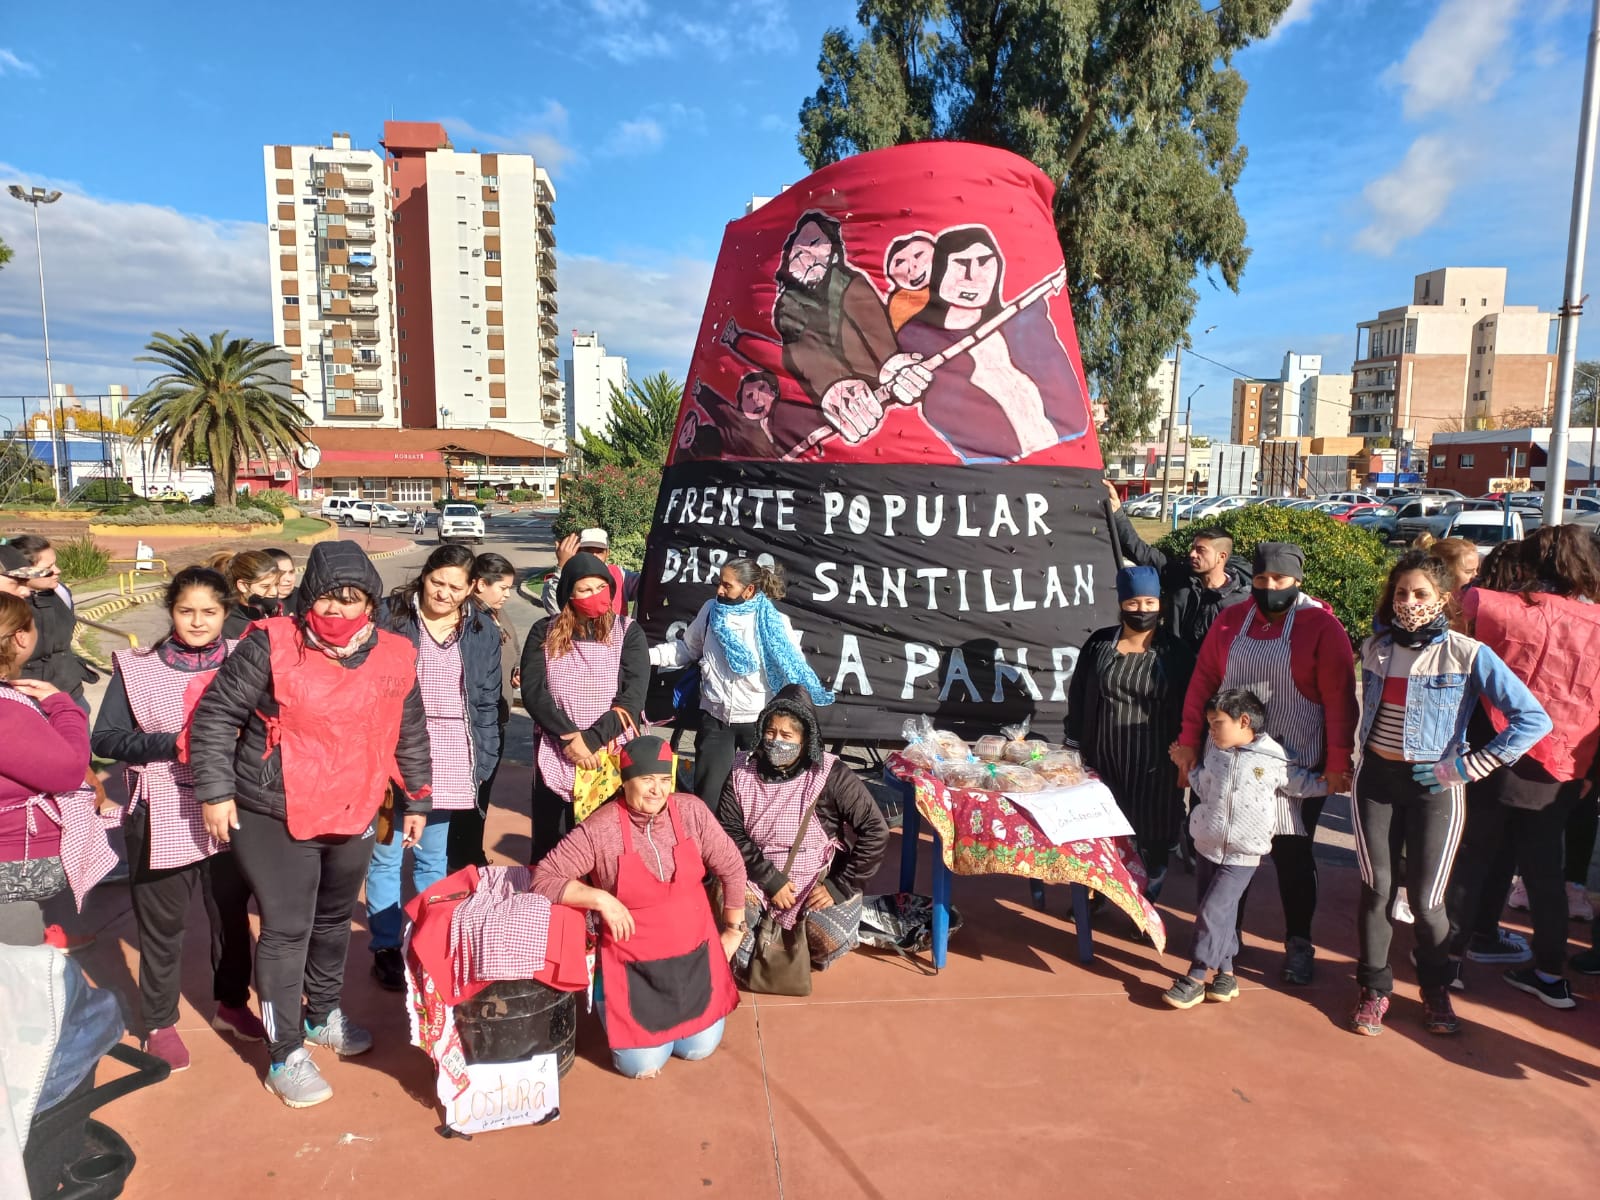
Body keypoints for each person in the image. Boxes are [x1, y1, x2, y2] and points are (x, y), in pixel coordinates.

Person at [189, 540, 433, 1108]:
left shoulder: (396, 653)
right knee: (287, 926)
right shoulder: (268, 644)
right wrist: (216, 792)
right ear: (306, 598)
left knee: (329, 923)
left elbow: (410, 729)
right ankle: (284, 1051)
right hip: (273, 809)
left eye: (353, 600)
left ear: (370, 603)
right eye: (329, 597)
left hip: (355, 806)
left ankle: (321, 1013)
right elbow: (217, 716)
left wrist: (417, 797)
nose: (340, 611)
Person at [1349, 551, 1550, 1037]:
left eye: (1420, 594)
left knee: (1427, 899)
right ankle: (1374, 990)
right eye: (1401, 593)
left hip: (1434, 788)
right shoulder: (1375, 646)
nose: (1409, 602)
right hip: (1375, 781)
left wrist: (1468, 766)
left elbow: (1533, 720)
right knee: (1377, 891)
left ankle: (1435, 989)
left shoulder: (1467, 653)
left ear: (1443, 598)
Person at [89, 567, 263, 1070]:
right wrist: (175, 743)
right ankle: (160, 1021)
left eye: (209, 612)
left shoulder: (245, 660)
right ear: (170, 610)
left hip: (233, 805)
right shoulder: (137, 665)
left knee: (230, 916)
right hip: (158, 808)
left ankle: (232, 1004)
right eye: (186, 611)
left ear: (227, 613)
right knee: (162, 926)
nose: (197, 622)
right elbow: (106, 739)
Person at [1173, 541, 1358, 985]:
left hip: (1294, 766)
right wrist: (1188, 742)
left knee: (1293, 856)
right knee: (1227, 856)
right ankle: (1224, 948)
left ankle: (1298, 941)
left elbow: (1339, 699)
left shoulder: (1321, 626)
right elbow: (1203, 684)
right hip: (1231, 762)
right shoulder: (1231, 621)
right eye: (1261, 580)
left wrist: (1337, 762)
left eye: (1279, 580)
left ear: (1297, 581)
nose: (1270, 587)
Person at [1445, 526, 1600, 1011]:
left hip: (1495, 751)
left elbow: (1454, 620)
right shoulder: (1596, 621)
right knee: (1544, 871)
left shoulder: (1493, 605)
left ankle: (1448, 960)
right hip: (1563, 764)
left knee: (1473, 857)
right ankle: (1550, 972)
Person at [530, 735, 746, 1079]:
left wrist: (733, 929)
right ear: (625, 780)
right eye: (647, 780)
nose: (657, 791)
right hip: (634, 971)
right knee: (641, 1066)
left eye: (664, 780)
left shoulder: (691, 811)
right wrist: (601, 899)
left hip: (695, 962)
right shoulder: (600, 828)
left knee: (698, 1049)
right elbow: (544, 878)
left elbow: (732, 866)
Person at [367, 544, 504, 991]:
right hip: (395, 745)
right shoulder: (391, 616)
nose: (442, 593)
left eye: (454, 587)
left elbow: (485, 699)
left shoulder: (481, 630)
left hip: (450, 752)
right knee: (386, 854)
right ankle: (386, 947)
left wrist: (486, 753)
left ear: (470, 590)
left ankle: (427, 940)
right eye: (436, 581)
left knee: (432, 857)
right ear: (423, 576)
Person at [1163, 689, 1325, 1009]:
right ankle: (1226, 973)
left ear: (1244, 721)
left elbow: (1299, 783)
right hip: (1208, 845)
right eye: (1210, 723)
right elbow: (1205, 787)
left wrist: (1331, 782)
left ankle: (1196, 976)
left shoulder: (1273, 756)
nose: (1211, 730)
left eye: (1217, 723)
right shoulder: (1217, 753)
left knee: (1213, 911)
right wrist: (1187, 765)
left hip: (1243, 854)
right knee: (1218, 913)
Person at [717, 685, 889, 972]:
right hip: (755, 877)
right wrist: (770, 880)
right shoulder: (741, 770)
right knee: (735, 933)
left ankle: (803, 945)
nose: (776, 742)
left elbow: (875, 829)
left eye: (787, 736)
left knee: (830, 936)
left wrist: (838, 887)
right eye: (770, 733)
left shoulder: (831, 774)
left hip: (813, 882)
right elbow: (730, 831)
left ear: (805, 738)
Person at [650, 559, 832, 810]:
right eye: (719, 584)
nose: (720, 591)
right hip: (716, 720)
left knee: (754, 800)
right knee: (709, 799)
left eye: (728, 586)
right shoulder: (710, 611)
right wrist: (648, 655)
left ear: (749, 590)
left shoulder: (775, 621)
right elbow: (687, 650)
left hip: (758, 725)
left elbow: (794, 671)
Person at [896, 224, 1087, 460]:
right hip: (980, 477)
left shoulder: (1025, 321)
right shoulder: (915, 339)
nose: (972, 276)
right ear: (939, 271)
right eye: (961, 264)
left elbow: (1069, 406)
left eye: (984, 262)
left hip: (1058, 465)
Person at [1065, 565, 1196, 897]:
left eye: (1150, 603)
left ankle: (1146, 901)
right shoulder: (1098, 643)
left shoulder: (1175, 652)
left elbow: (1191, 704)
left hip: (1156, 761)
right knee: (1102, 831)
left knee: (1153, 834)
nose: (1143, 610)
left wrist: (1188, 749)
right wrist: (1074, 744)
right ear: (1122, 603)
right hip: (1104, 754)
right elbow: (1079, 694)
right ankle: (1099, 896)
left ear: (1160, 604)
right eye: (1135, 603)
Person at [522, 553, 649, 864]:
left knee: (602, 841)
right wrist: (569, 738)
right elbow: (534, 691)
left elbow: (632, 699)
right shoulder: (544, 631)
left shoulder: (628, 631)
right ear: (569, 594)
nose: (596, 596)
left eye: (600, 587)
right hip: (556, 747)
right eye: (585, 589)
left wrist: (591, 740)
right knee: (550, 841)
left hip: (607, 751)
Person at [0, 592, 92, 946]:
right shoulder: (8, 713)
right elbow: (68, 770)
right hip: (12, 861)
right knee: (18, 979)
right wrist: (63, 708)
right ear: (21, 637)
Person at [1101, 483, 1252, 655]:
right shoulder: (1179, 577)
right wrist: (1117, 513)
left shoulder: (1242, 601)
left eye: (1200, 550)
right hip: (1173, 671)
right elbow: (1139, 551)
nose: (1192, 554)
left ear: (1222, 557)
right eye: (1193, 548)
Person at [446, 552, 520, 872]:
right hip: (474, 722)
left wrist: (515, 673)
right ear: (478, 585)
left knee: (482, 794)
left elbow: (509, 655)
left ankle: (470, 853)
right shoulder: (467, 619)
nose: (506, 594)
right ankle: (461, 860)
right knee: (469, 796)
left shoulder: (497, 615)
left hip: (497, 717)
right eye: (501, 587)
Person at [10, 534, 89, 711]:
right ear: (24, 571)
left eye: (55, 564)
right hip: (24, 702)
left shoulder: (61, 593)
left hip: (70, 695)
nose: (58, 570)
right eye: (48, 567)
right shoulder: (7, 605)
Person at [541, 528, 641, 617]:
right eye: (587, 550)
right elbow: (554, 609)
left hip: (615, 636)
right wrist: (562, 567)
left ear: (607, 553)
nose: (593, 555)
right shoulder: (565, 576)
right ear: (577, 551)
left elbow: (649, 584)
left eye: (599, 551)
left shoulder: (619, 575)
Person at [210, 549, 284, 640]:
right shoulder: (226, 626)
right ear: (243, 586)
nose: (274, 592)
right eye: (265, 586)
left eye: (276, 584)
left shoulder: (275, 613)